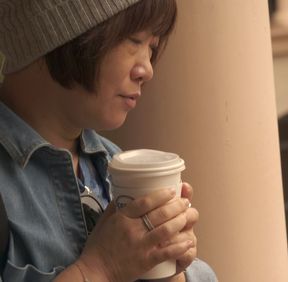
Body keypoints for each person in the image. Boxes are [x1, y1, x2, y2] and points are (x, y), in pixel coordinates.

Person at [0, 0, 217, 281]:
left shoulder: (113, 163)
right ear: (55, 31)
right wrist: (101, 268)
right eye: (134, 39)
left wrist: (168, 271)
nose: (147, 69)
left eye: (151, 48)